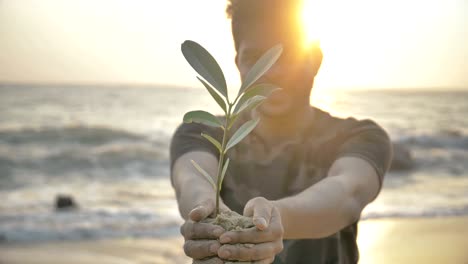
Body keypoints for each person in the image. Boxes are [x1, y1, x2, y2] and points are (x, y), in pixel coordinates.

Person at [170, 0, 392, 263]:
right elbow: (192, 183)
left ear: (315, 60)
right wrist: (208, 218)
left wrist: (273, 218)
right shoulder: (202, 131)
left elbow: (347, 194)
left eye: (285, 56)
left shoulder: (359, 136)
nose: (271, 72)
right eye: (254, 59)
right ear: (238, 63)